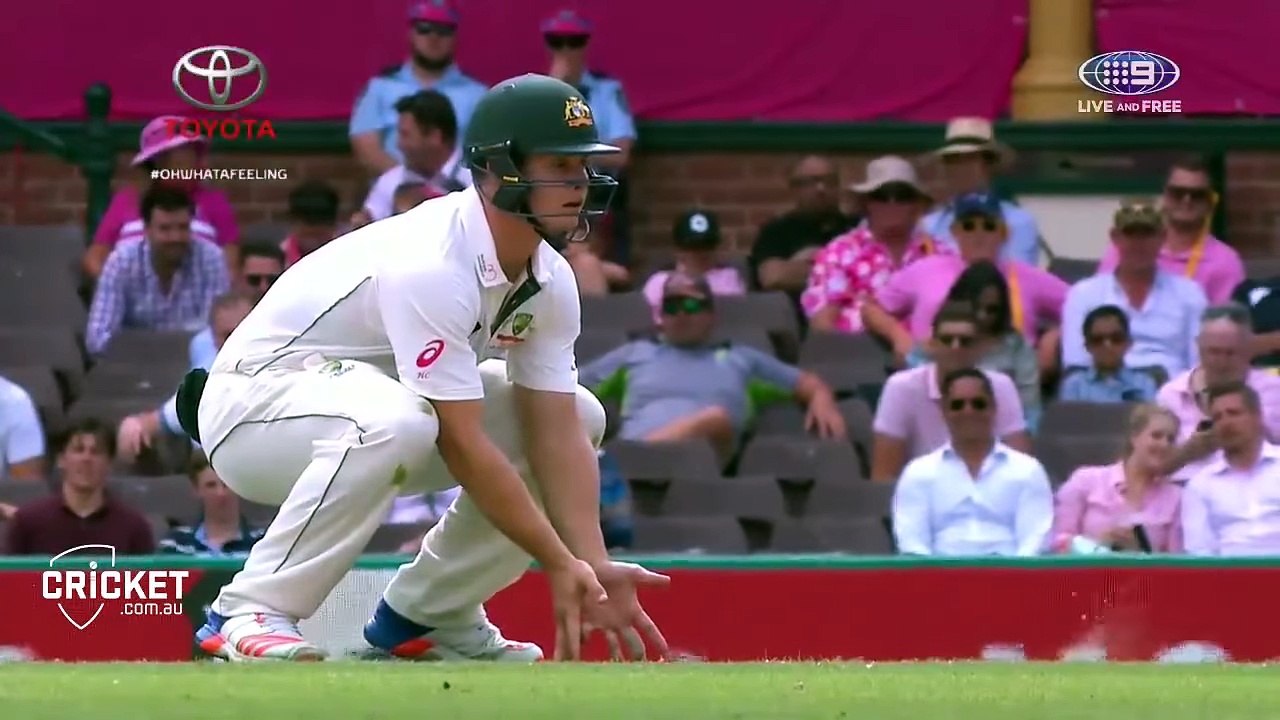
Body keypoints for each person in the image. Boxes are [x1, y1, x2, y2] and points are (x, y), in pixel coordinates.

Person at [181, 74, 671, 663]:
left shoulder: (551, 278)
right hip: (252, 411)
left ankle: (428, 615)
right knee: (399, 419)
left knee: (580, 414)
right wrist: (557, 560)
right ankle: (247, 609)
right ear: (498, 170)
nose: (579, 183)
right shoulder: (432, 263)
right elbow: (462, 443)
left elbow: (556, 432)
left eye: (583, 166)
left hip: (377, 413)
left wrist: (591, 564)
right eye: (560, 165)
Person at [581, 271, 845, 463]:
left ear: (711, 314)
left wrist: (821, 397)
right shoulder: (635, 354)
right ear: (661, 316)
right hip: (632, 466)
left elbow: (805, 383)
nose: (682, 314)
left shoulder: (740, 359)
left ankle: (619, 459)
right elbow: (572, 387)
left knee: (716, 418)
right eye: (672, 307)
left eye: (691, 305)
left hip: (698, 464)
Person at [864, 191, 1066, 370]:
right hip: (932, 372)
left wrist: (1052, 338)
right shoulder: (925, 269)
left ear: (1004, 233)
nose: (979, 235)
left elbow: (1080, 308)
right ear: (955, 232)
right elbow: (872, 309)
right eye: (969, 226)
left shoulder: (1028, 277)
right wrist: (899, 337)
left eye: (988, 226)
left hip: (1009, 376)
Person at [891, 367, 1053, 556]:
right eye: (957, 405)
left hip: (1009, 570)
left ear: (993, 408)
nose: (968, 411)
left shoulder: (1028, 471)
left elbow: (1034, 542)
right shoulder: (918, 472)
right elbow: (912, 543)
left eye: (978, 404)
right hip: (940, 571)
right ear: (943, 411)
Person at [871, 302, 1029, 482]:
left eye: (965, 341)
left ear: (980, 349)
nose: (955, 347)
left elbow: (1021, 471)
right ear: (932, 345)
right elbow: (883, 478)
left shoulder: (1001, 387)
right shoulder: (901, 388)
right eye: (947, 340)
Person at [1061, 198, 1206, 379]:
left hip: (1170, 390)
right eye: (1130, 234)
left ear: (1163, 237)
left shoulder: (1189, 294)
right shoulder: (1084, 294)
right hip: (1105, 390)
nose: (1139, 243)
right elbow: (1076, 365)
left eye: (1147, 234)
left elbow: (1199, 364)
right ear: (1115, 237)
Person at [83, 115, 239, 279]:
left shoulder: (214, 201)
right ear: (157, 164)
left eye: (193, 156)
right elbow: (94, 257)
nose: (193, 165)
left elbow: (230, 265)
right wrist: (117, 285)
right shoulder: (126, 200)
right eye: (180, 161)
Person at [801, 156, 941, 334]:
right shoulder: (839, 253)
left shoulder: (937, 254)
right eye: (881, 196)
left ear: (917, 205)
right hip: (855, 348)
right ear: (866, 203)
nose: (892, 203)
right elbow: (822, 326)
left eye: (902, 196)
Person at [349, 0, 486, 175]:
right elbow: (367, 151)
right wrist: (411, 182)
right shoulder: (379, 89)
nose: (433, 38)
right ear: (410, 34)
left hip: (460, 187)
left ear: (455, 37)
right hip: (396, 188)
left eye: (443, 31)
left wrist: (446, 184)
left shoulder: (478, 95)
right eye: (424, 29)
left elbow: (487, 154)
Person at [908, 260, 1041, 431]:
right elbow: (916, 389)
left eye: (991, 309)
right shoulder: (939, 341)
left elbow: (1031, 410)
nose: (982, 316)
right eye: (976, 307)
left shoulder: (1016, 347)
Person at [1097, 157, 1244, 304]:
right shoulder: (1126, 248)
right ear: (1165, 196)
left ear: (1209, 202)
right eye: (1178, 193)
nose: (1187, 200)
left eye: (1197, 195)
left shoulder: (1224, 261)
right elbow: (1099, 301)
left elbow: (1228, 315)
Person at [1051, 404, 1183, 553]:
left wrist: (1141, 552)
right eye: (1156, 436)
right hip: (1088, 567)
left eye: (1171, 440)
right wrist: (1097, 545)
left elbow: (1177, 559)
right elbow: (1057, 541)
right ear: (1134, 437)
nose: (1164, 445)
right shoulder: (1085, 480)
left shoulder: (1175, 497)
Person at [920, 118, 1041, 265]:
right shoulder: (929, 225)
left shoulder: (1018, 222)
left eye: (969, 159)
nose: (959, 167)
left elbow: (1017, 273)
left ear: (989, 165)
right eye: (952, 159)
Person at [1182, 382, 1280, 555]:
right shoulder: (1200, 485)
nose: (1225, 423)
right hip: (1229, 569)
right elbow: (1199, 552)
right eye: (1217, 417)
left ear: (1257, 417)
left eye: (1233, 413)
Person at [641, 210, 746, 321]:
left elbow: (736, 318)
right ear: (678, 250)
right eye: (693, 247)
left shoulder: (729, 277)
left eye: (707, 246)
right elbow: (644, 321)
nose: (701, 253)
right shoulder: (659, 281)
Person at [159, 453, 266, 557]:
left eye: (226, 484)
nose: (221, 493)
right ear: (196, 489)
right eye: (211, 485)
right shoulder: (176, 543)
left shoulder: (263, 541)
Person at [1058, 305, 1160, 403]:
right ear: (1087, 346)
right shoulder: (1075, 386)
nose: (1107, 346)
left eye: (1116, 338)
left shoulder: (1144, 384)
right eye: (1097, 340)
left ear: (1128, 343)